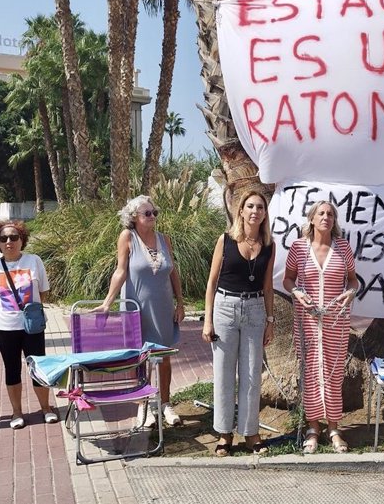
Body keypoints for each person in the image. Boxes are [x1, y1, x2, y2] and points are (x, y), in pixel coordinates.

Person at [96, 195, 185, 427]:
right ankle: (143, 405)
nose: (153, 216)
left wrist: (181, 303)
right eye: (147, 213)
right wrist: (108, 302)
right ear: (134, 217)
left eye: (154, 212)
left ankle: (165, 403)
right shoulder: (128, 237)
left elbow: (173, 272)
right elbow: (120, 271)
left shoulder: (164, 239)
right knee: (139, 358)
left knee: (164, 357)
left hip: (163, 307)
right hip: (135, 307)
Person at [202, 191, 275, 457]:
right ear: (241, 211)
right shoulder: (226, 240)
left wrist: (270, 320)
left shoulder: (269, 245)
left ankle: (250, 433)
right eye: (250, 206)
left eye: (260, 207)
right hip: (225, 308)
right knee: (224, 374)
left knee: (252, 374)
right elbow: (211, 283)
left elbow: (267, 286)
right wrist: (207, 320)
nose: (255, 211)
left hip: (255, 310)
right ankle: (224, 434)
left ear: (264, 214)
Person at [283, 200, 358, 454]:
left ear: (334, 221)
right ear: (312, 219)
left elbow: (353, 281)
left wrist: (350, 293)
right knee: (311, 373)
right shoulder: (298, 247)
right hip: (307, 321)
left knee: (335, 373)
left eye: (330, 214)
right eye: (321, 213)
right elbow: (287, 278)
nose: (326, 217)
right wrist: (296, 292)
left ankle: (334, 427)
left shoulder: (343, 248)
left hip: (336, 320)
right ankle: (313, 427)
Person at [0, 220, 58, 429]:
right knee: (12, 368)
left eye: (14, 237)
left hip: (31, 326)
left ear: (22, 240)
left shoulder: (34, 261)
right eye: (3, 238)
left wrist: (28, 309)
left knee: (38, 366)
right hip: (5, 327)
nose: (9, 242)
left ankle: (46, 408)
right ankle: (17, 412)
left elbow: (42, 291)